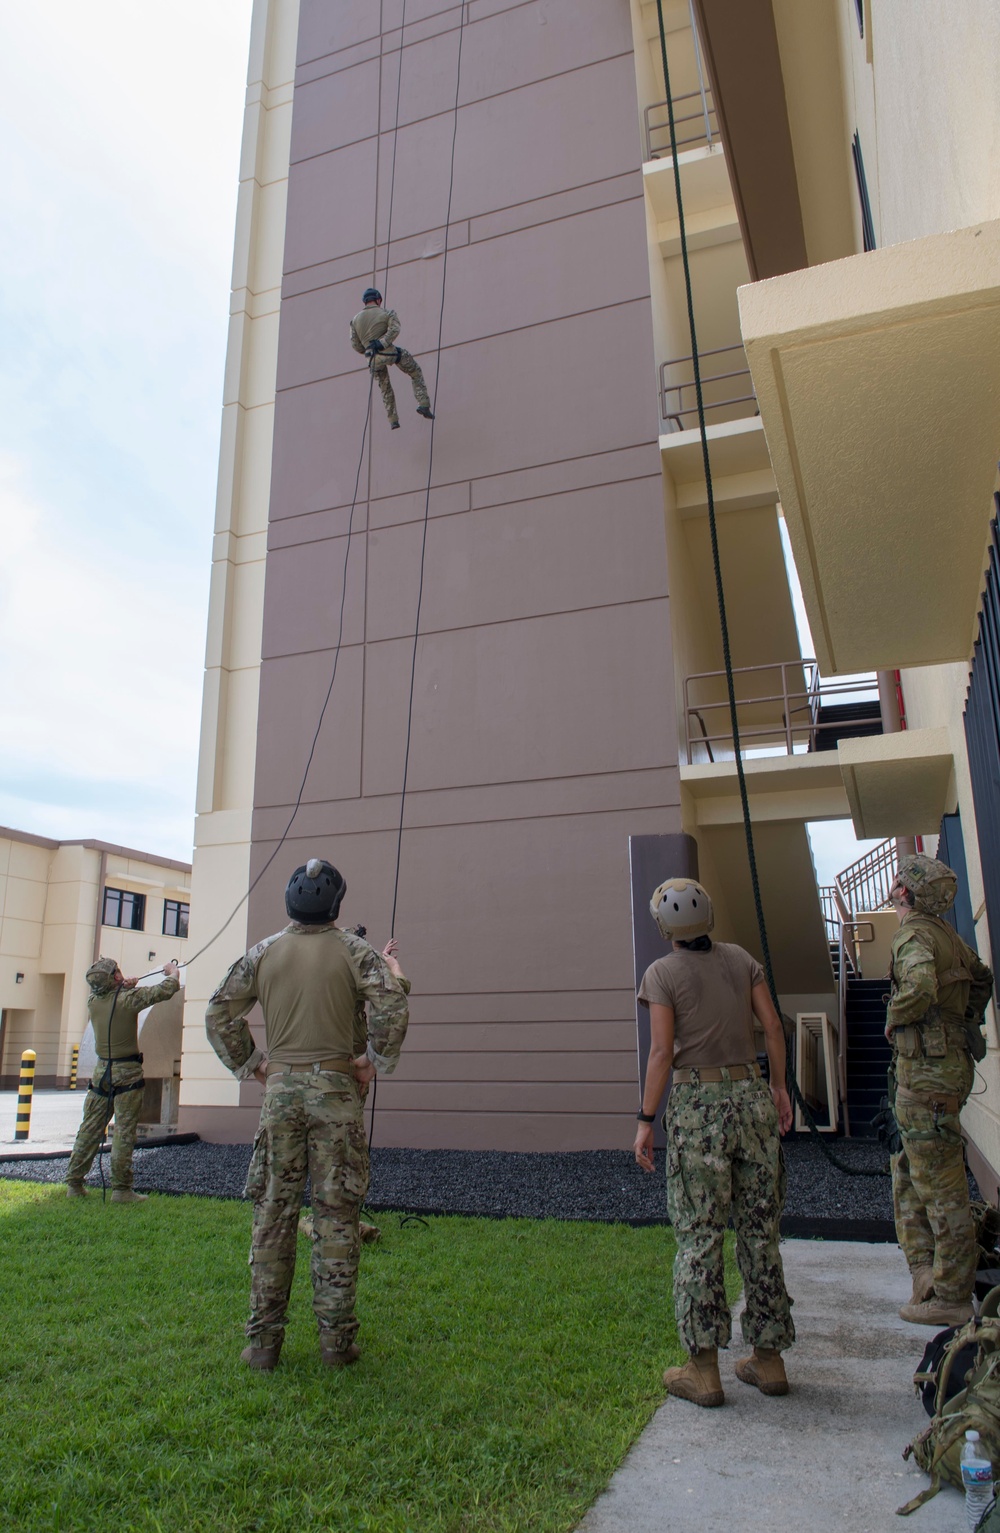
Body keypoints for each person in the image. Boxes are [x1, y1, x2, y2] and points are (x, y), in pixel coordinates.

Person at [205, 857, 410, 1371]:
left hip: (280, 1096)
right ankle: (336, 1344)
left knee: (273, 1214)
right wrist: (372, 1063)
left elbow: (218, 1012)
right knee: (337, 1215)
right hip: (337, 1094)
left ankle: (262, 1346)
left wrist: (254, 1065)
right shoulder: (356, 952)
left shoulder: (264, 953)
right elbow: (392, 1003)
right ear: (336, 904)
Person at [633, 877, 795, 1408]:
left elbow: (661, 1054)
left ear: (665, 927)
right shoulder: (742, 959)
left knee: (699, 1234)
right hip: (752, 1099)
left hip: (698, 1107)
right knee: (759, 1230)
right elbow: (772, 1026)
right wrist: (777, 1089)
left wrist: (645, 1120)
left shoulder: (661, 973)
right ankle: (769, 1361)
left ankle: (703, 1371)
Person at [886, 853, 994, 1326]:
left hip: (926, 1075)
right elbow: (983, 979)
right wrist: (964, 1023)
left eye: (897, 883)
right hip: (948, 1071)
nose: (892, 888)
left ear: (905, 893)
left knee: (941, 1183)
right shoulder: (949, 935)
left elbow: (919, 985)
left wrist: (896, 1018)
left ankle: (950, 1295)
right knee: (912, 1169)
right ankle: (925, 1275)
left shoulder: (914, 934)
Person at [65, 957, 181, 1202]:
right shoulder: (128, 1000)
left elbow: (114, 998)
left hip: (101, 1073)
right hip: (127, 1072)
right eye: (117, 971)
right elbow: (166, 990)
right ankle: (121, 1190)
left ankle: (74, 1184)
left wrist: (125, 986)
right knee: (124, 1132)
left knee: (89, 1129)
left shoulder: (93, 1001)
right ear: (115, 977)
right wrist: (172, 973)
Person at [350, 287, 434, 429]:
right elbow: (395, 329)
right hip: (388, 353)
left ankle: (393, 420)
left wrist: (368, 348)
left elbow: (355, 345)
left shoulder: (354, 320)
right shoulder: (387, 313)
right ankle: (423, 404)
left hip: (371, 359)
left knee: (385, 387)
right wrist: (382, 343)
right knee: (414, 371)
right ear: (378, 299)